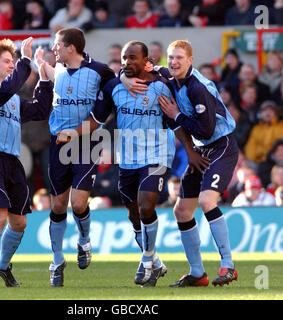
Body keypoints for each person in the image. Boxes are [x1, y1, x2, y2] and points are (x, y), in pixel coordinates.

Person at [57, 40, 188, 287]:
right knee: (134, 214)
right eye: (125, 58)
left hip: (156, 155)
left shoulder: (163, 86)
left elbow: (176, 115)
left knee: (146, 205)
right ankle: (156, 264)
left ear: (146, 60)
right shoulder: (115, 86)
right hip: (127, 158)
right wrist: (73, 133)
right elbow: (97, 119)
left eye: (133, 58)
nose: (127, 62)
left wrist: (190, 151)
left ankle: (147, 260)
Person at [144, 40, 239, 287]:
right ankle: (197, 273)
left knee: (207, 201)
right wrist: (126, 76)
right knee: (182, 211)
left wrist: (176, 115)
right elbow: (142, 66)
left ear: (190, 60)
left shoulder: (198, 88)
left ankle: (228, 265)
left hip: (221, 146)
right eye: (171, 57)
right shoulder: (170, 77)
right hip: (200, 149)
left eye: (179, 58)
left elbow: (206, 130)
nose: (174, 62)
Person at [35, 28, 115, 287]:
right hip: (59, 143)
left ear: (71, 47)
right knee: (58, 205)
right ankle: (57, 261)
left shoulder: (99, 70)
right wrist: (36, 63)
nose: (53, 48)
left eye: (57, 44)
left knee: (78, 203)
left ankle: (84, 241)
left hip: (87, 141)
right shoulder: (57, 71)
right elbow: (48, 73)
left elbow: (115, 87)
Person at [0, 37, 53, 289]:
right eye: (7, 61)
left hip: (12, 162)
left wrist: (45, 79)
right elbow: (8, 86)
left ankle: (3, 267)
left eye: (13, 61)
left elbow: (41, 110)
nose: (11, 65)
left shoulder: (14, 99)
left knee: (19, 222)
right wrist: (26, 60)